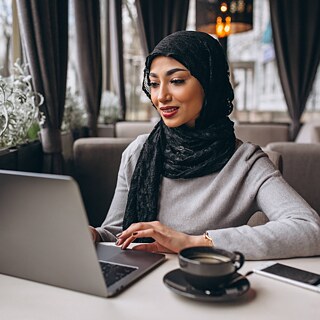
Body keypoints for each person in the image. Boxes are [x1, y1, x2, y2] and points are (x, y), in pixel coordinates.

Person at [90, 30, 320, 260]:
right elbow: (115, 233)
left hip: (205, 286)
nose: (160, 96)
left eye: (176, 81)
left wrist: (195, 243)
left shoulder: (246, 162)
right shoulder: (138, 153)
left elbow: (310, 229)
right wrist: (94, 235)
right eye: (154, 83)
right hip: (138, 284)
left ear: (210, 82)